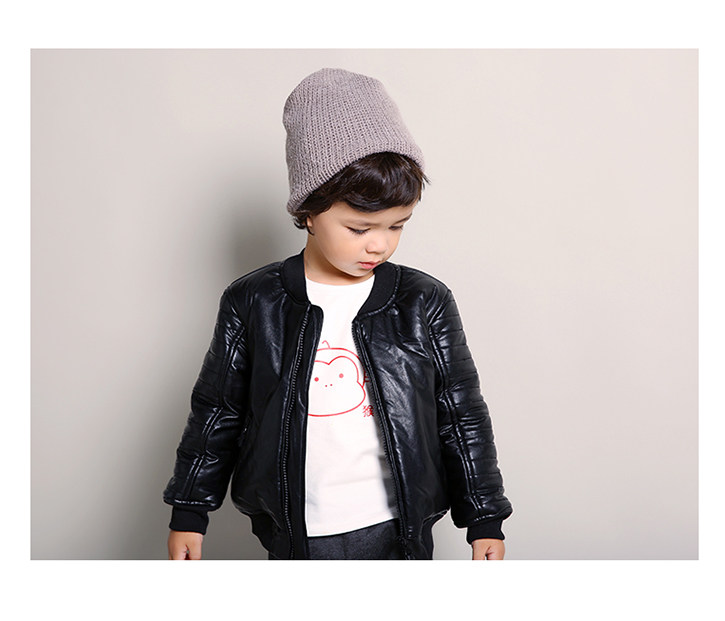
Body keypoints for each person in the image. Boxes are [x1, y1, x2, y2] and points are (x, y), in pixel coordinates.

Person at [163, 68, 512, 560]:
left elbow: (461, 414)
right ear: (308, 211)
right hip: (296, 530)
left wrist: (484, 518)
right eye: (359, 228)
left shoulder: (423, 301)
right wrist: (189, 510)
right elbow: (218, 411)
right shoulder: (254, 301)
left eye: (397, 226)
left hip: (398, 528)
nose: (379, 245)